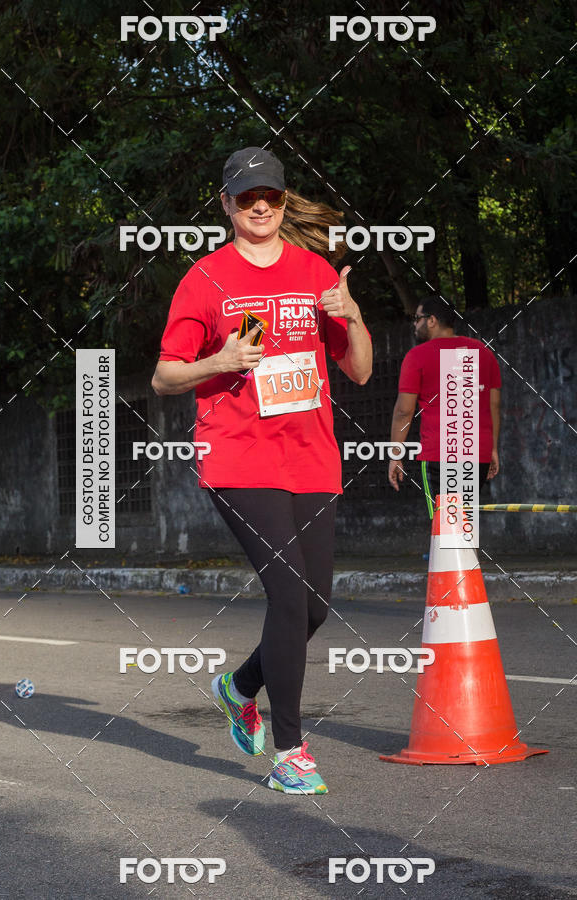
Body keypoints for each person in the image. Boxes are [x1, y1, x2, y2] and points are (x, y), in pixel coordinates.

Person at [151, 147, 372, 794]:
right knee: (287, 595)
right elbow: (164, 375)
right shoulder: (205, 280)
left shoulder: (314, 273)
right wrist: (219, 362)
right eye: (247, 198)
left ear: (281, 200)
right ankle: (290, 752)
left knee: (316, 604)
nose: (260, 207)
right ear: (226, 204)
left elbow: (357, 369)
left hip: (311, 457)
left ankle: (239, 686)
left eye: (270, 197)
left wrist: (353, 315)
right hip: (239, 455)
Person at [388, 294, 501, 517]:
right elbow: (493, 406)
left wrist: (395, 454)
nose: (414, 324)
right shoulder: (484, 353)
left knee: (446, 523)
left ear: (431, 320)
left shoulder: (417, 356)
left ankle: (447, 552)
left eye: (417, 318)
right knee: (465, 520)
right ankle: (469, 553)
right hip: (476, 451)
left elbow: (404, 411)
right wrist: (493, 449)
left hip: (440, 453)